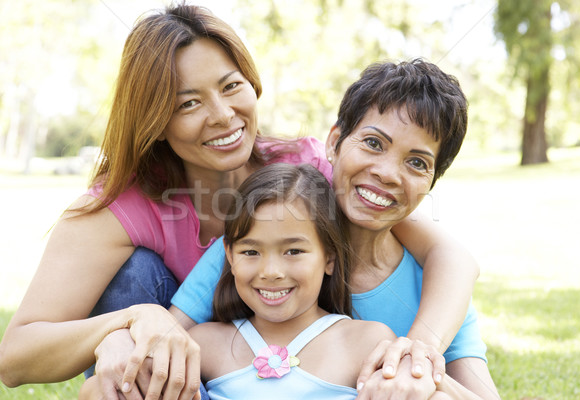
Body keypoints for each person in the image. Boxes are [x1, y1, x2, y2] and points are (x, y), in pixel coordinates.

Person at [0, 3, 479, 399]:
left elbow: (448, 254)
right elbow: (15, 357)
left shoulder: (306, 172)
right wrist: (126, 328)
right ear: (155, 119)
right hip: (188, 366)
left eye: (232, 86)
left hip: (303, 357)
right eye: (188, 103)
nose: (223, 115)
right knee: (133, 279)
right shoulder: (121, 208)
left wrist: (421, 349)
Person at [167, 59, 501, 399]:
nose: (387, 173)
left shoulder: (435, 290)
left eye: (417, 162)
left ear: (431, 181)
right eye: (373, 143)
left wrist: (420, 364)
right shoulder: (259, 242)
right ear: (334, 142)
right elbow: (165, 337)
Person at [81, 163, 488, 400]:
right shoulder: (205, 344)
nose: (271, 271)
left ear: (329, 258)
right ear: (229, 258)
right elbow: (104, 390)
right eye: (251, 252)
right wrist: (109, 363)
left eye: (293, 251)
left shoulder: (365, 342)